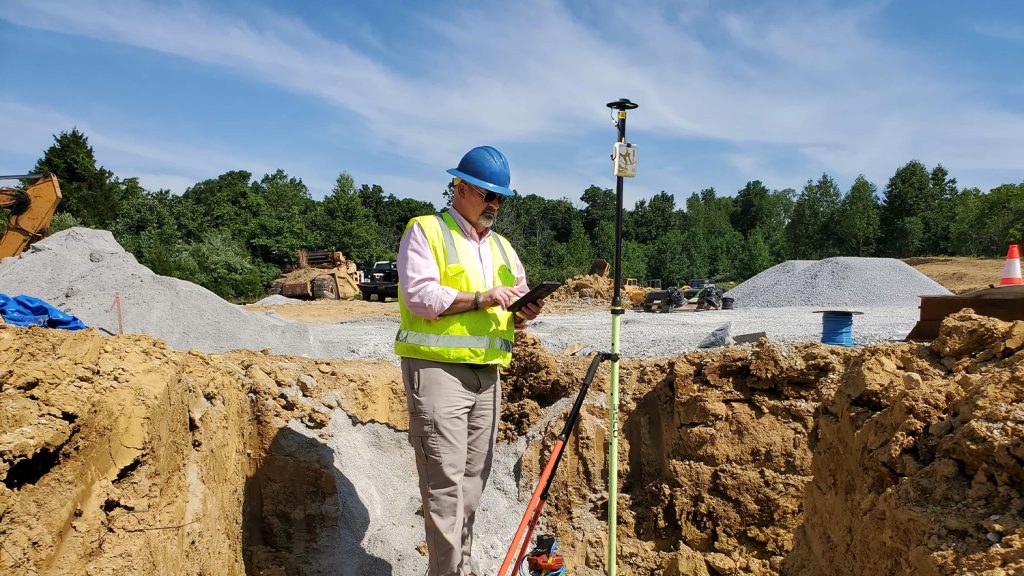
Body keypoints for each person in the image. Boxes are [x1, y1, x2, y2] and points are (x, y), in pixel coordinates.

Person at [395, 145, 544, 576]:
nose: (495, 205)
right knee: (444, 487)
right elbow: (421, 298)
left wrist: (523, 314)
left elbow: (510, 306)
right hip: (438, 371)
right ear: (459, 188)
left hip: (488, 375)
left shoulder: (503, 248)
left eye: (500, 198)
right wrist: (482, 298)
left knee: (472, 486)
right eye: (487, 195)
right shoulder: (426, 231)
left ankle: (456, 568)